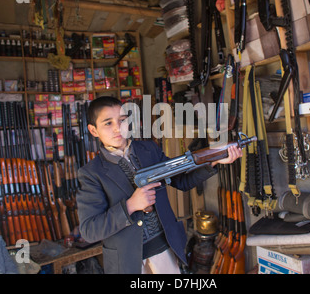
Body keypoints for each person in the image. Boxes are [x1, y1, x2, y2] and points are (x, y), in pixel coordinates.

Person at [76, 96, 242, 274]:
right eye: (108, 123)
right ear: (93, 130)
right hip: (126, 263)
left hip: (166, 252)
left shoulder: (148, 150)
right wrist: (130, 206)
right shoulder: (91, 173)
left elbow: (182, 180)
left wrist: (214, 160)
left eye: (122, 120)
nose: (118, 128)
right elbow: (89, 230)